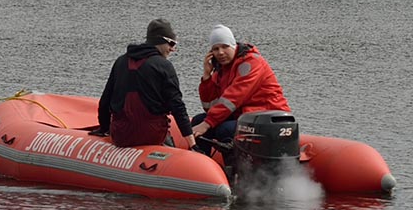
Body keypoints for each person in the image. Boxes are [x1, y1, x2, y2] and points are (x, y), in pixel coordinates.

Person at [95, 18, 197, 150]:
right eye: (171, 43)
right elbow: (177, 106)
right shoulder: (164, 66)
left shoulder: (120, 62)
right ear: (160, 40)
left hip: (121, 135)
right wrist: (192, 143)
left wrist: (104, 128)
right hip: (151, 136)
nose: (172, 49)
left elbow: (105, 101)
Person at [192, 24, 290, 155]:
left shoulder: (250, 63)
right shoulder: (221, 69)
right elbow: (209, 106)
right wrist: (206, 77)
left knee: (225, 129)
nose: (220, 52)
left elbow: (233, 97)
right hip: (246, 117)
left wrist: (207, 124)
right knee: (198, 120)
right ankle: (202, 163)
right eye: (215, 49)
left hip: (269, 118)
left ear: (234, 45)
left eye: (225, 46)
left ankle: (235, 167)